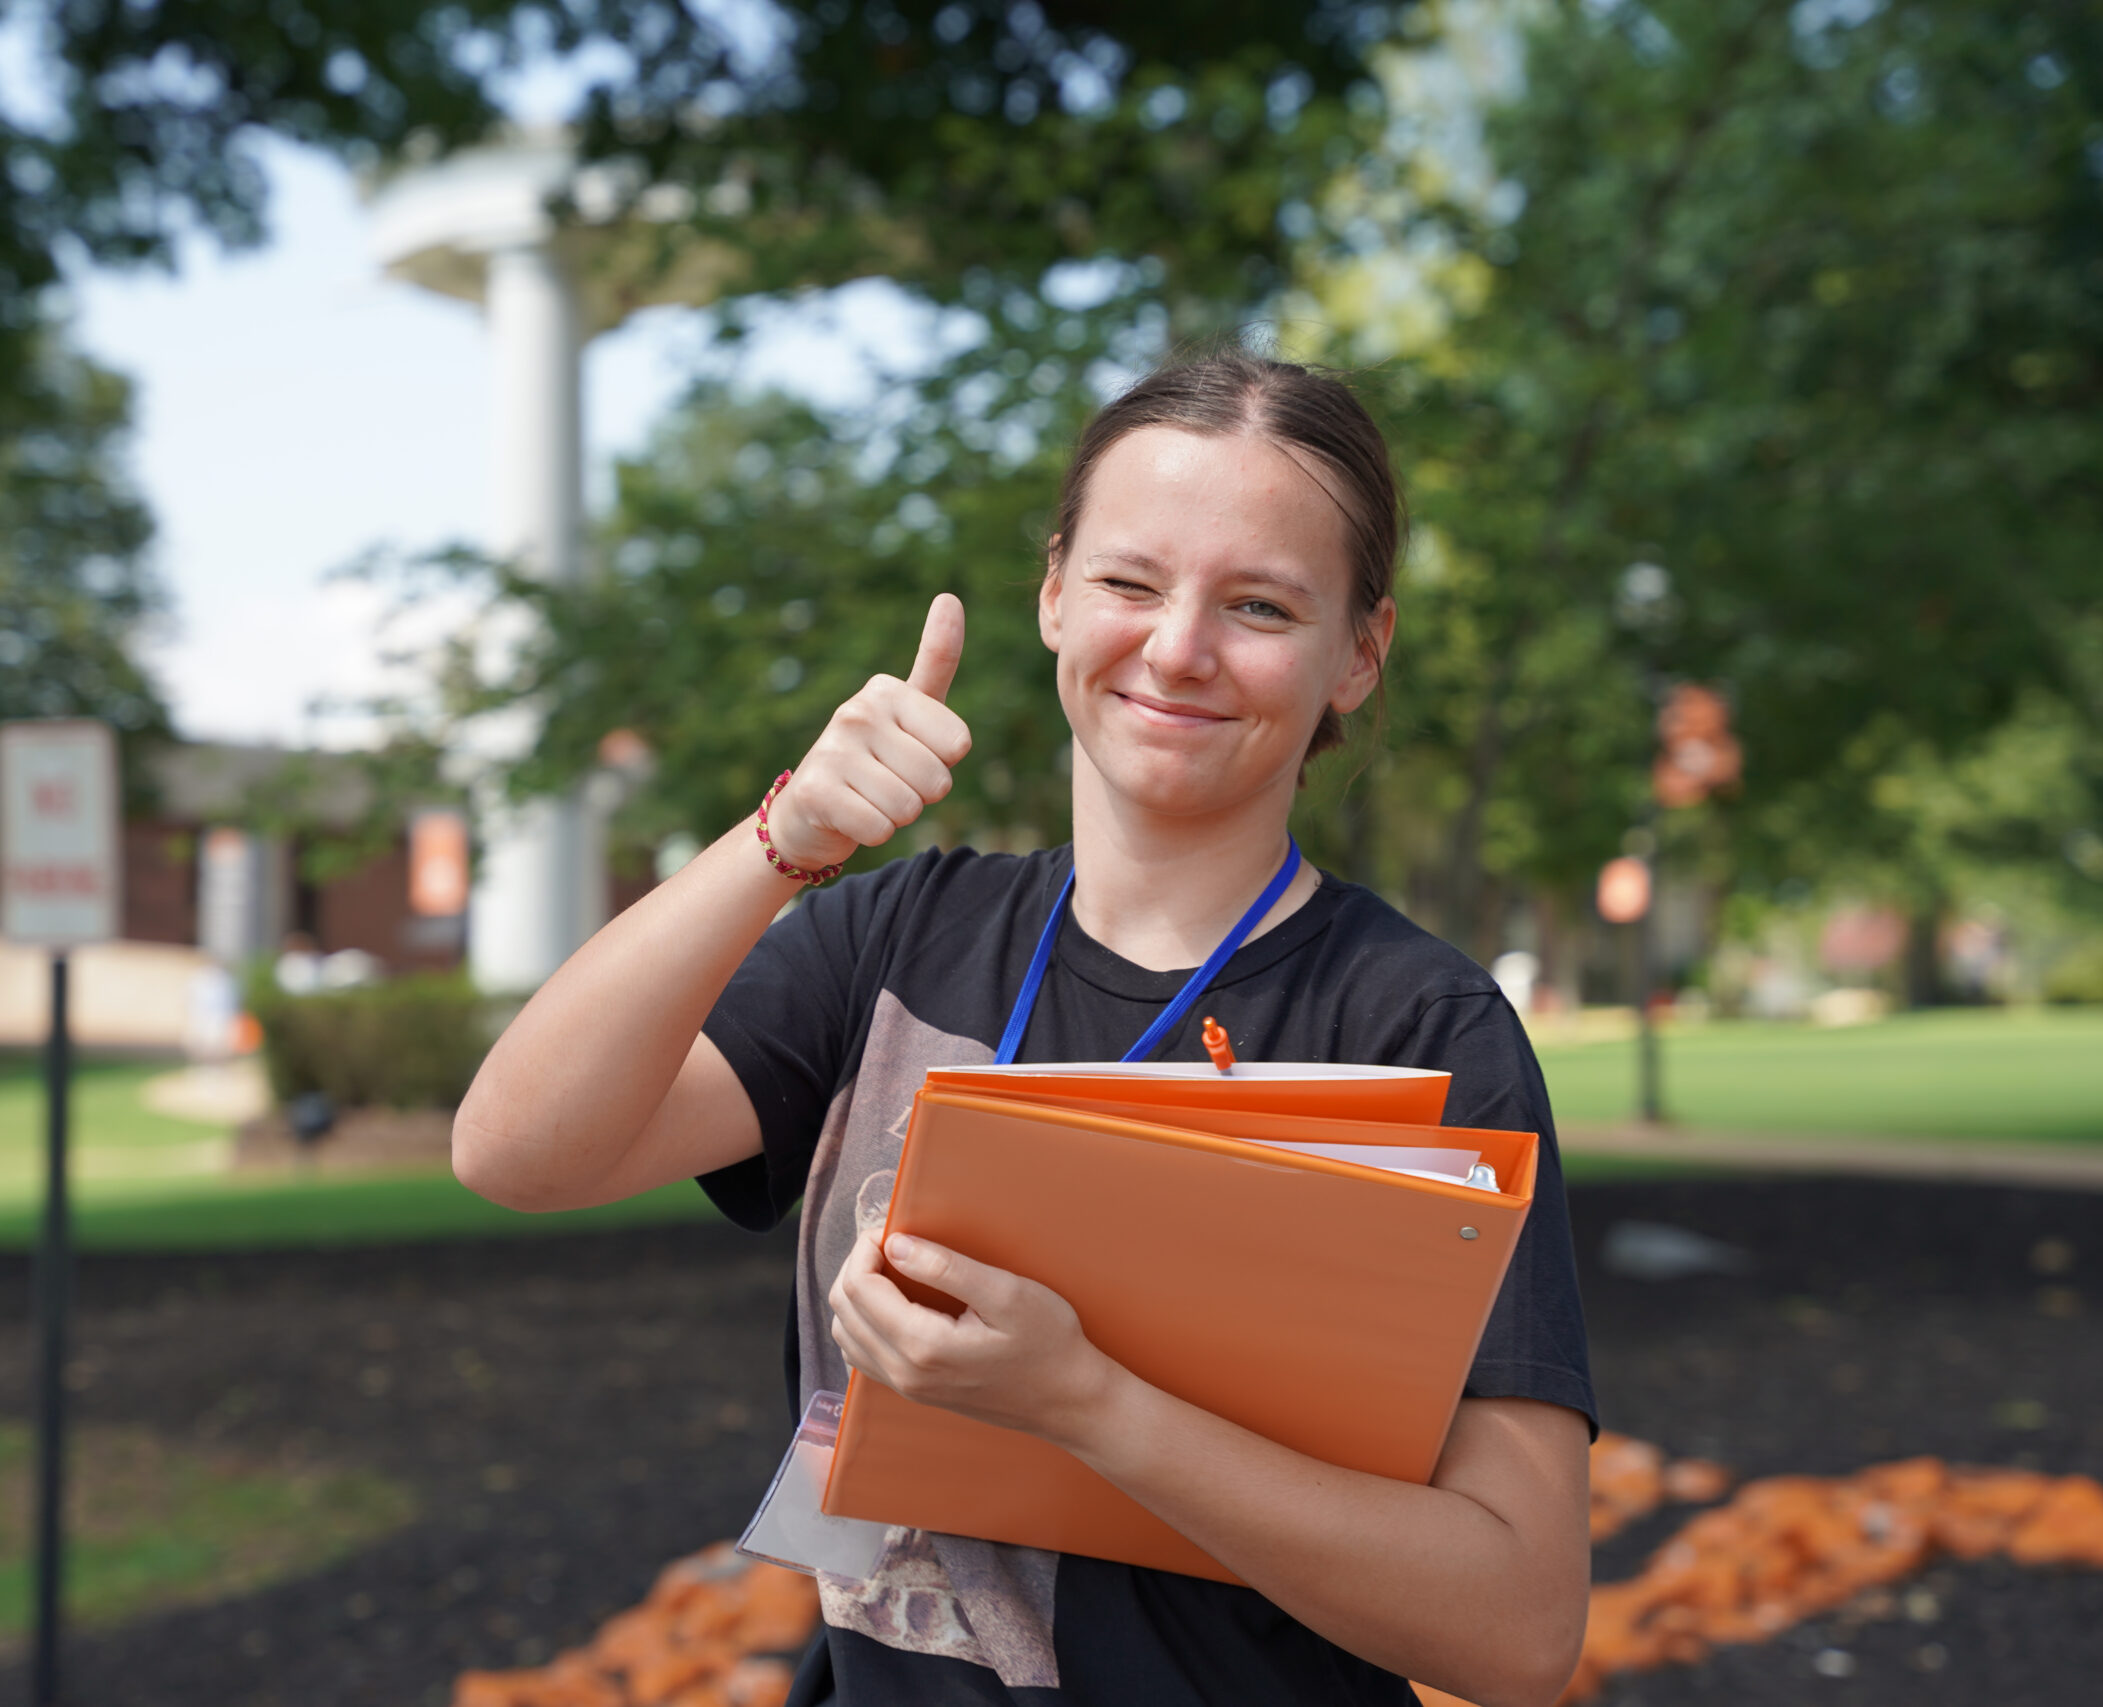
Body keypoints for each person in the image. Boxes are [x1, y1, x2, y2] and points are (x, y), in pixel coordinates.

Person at [455, 350, 1595, 1707]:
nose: (1177, 647)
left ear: (1360, 651)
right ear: (1054, 594)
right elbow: (520, 1153)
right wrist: (780, 843)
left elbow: (1520, 1629)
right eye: (1130, 582)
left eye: (1260, 605)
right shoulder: (891, 943)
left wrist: (1087, 1406)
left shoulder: (1417, 1026)